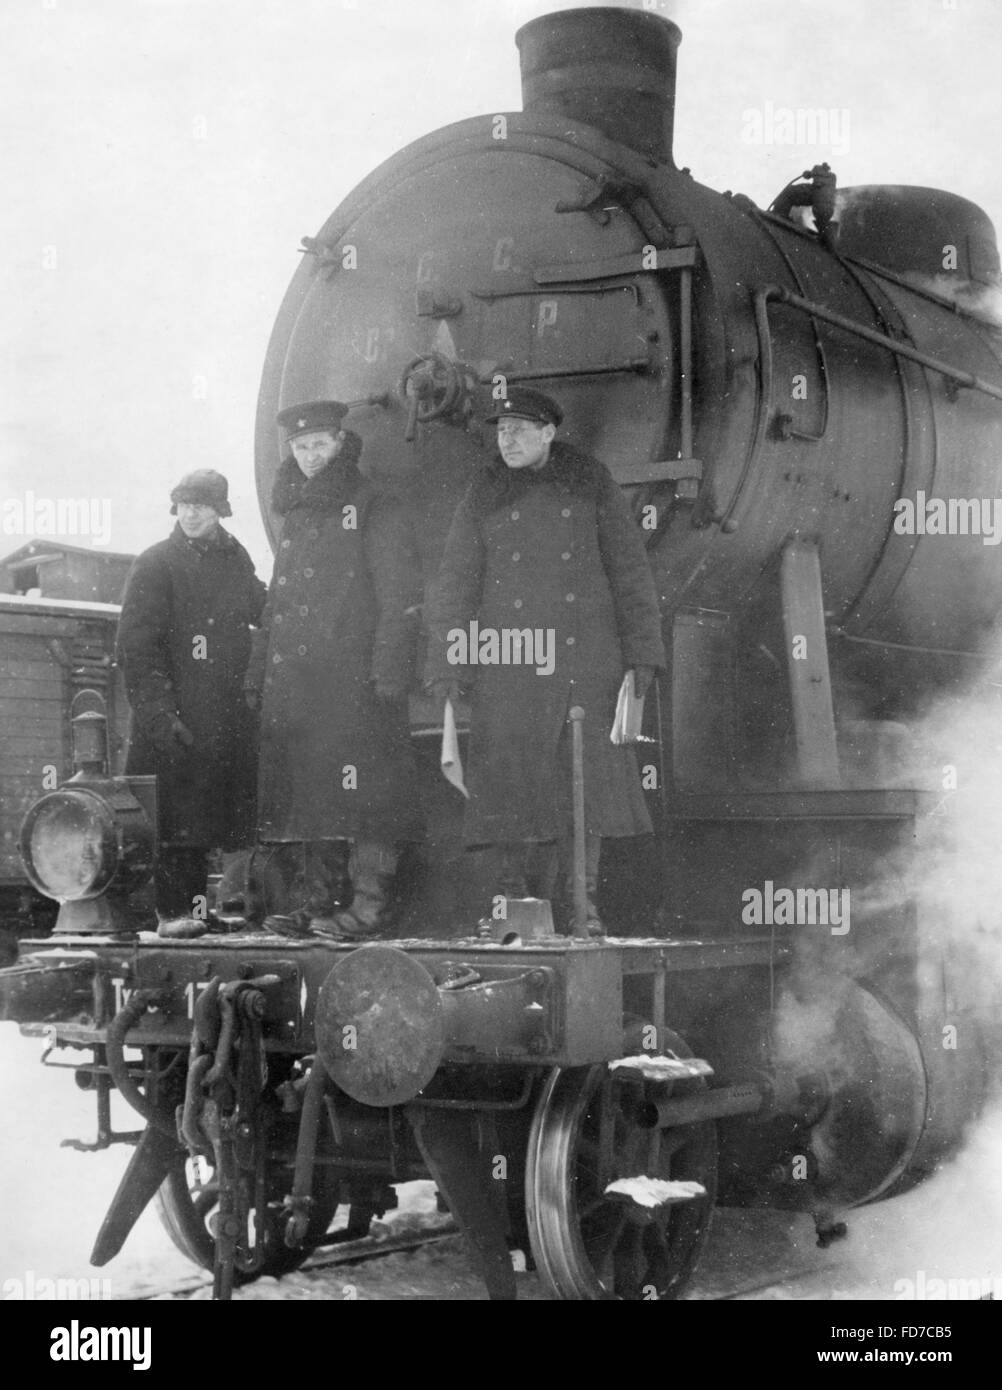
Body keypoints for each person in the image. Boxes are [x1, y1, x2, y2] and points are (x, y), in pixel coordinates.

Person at [425, 387, 666, 935]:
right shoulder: (483, 492)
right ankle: (513, 908)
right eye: (501, 430)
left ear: (549, 432)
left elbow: (630, 574)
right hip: (509, 661)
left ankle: (584, 910)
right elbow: (455, 582)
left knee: (584, 790)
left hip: (586, 662)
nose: (506, 440)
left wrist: (642, 657)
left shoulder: (592, 484)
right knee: (508, 787)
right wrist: (449, 661)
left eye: (519, 429)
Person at [247, 400, 423, 938]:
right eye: (301, 447)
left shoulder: (374, 505)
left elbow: (400, 596)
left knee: (368, 798)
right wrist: (259, 673)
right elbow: (276, 604)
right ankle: (317, 903)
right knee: (310, 795)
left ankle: (370, 906)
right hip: (301, 683)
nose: (310, 456)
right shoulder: (296, 512)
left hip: (354, 680)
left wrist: (390, 670)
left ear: (341, 443)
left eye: (320, 444)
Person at [117, 469, 266, 937]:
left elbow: (263, 608)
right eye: (183, 505)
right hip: (174, 717)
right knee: (176, 824)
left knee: (209, 821)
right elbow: (136, 649)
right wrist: (160, 714)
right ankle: (173, 914)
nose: (191, 514)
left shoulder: (235, 557)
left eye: (201, 505)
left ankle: (199, 916)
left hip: (223, 715)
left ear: (220, 510)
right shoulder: (155, 563)